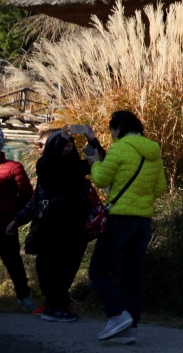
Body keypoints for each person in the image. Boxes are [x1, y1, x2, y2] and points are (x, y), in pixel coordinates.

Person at [75, 113, 164, 346]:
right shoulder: (154, 151)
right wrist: (140, 198)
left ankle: (117, 314)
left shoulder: (119, 148)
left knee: (98, 270)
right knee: (130, 276)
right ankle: (130, 329)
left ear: (118, 129)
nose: (111, 135)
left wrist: (94, 161)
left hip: (120, 219)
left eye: (112, 130)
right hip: (143, 221)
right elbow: (160, 188)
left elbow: (102, 179)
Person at [6, 130, 91, 322]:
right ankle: (53, 304)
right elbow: (35, 201)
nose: (66, 144)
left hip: (75, 224)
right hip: (53, 224)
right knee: (48, 266)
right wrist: (18, 220)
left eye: (43, 144)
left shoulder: (75, 167)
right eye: (60, 142)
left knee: (66, 266)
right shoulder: (47, 166)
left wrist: (90, 139)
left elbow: (99, 162)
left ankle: (57, 303)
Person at [0, 127, 36, 312]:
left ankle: (24, 296)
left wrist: (16, 218)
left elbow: (26, 195)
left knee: (13, 262)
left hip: (6, 224)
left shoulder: (13, 167)